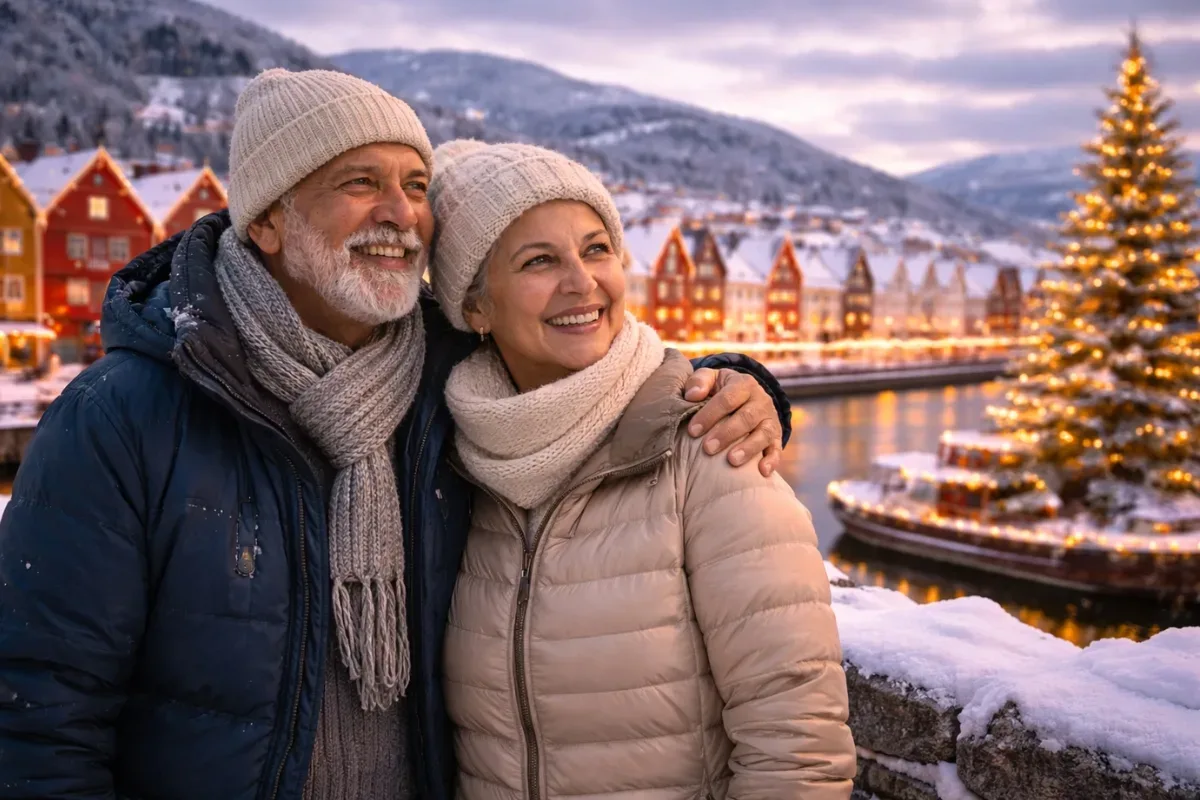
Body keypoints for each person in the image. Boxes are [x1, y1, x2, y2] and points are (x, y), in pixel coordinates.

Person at [0, 70, 792, 799]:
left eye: (416, 186)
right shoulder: (126, 414)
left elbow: (593, 371)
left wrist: (733, 383)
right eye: (360, 183)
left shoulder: (448, 387)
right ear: (269, 221)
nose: (400, 213)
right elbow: (38, 716)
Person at [428, 142, 856, 799]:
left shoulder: (709, 442)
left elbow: (799, 747)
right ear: (474, 308)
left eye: (597, 249)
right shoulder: (453, 460)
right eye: (539, 261)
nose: (582, 282)